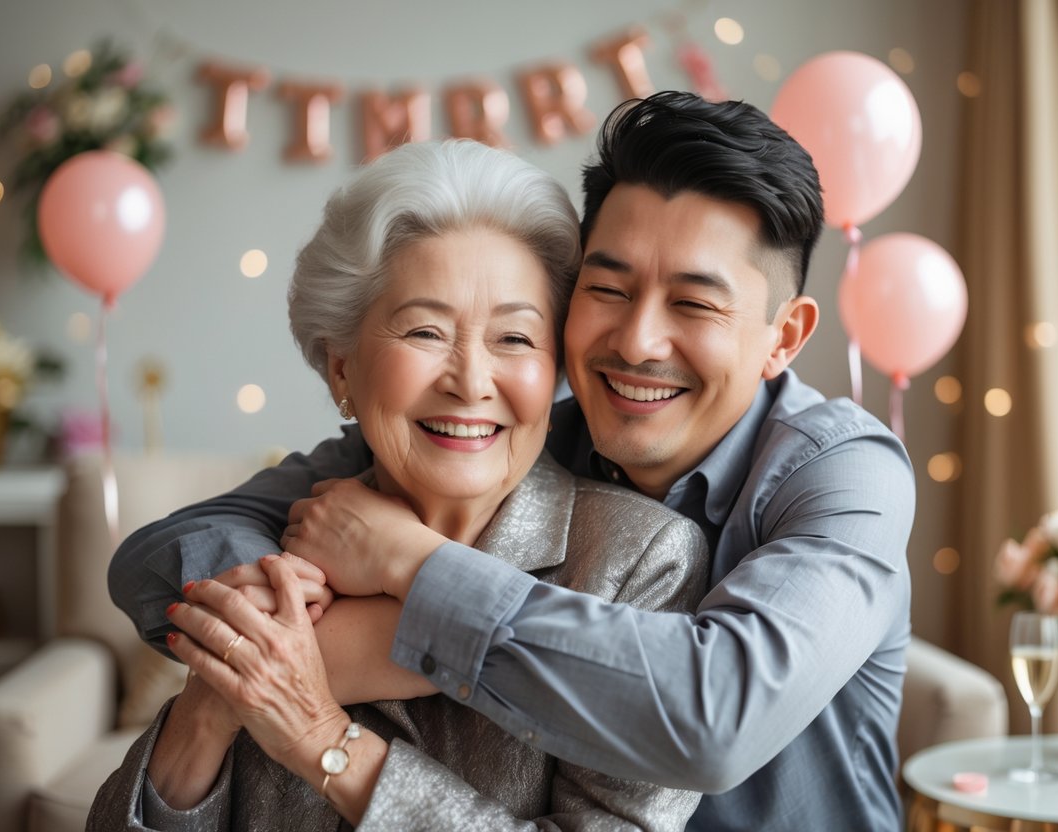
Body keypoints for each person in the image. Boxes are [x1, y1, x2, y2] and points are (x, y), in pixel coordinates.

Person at [109, 91, 915, 830]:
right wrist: (252, 643)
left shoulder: (843, 476)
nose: (636, 343)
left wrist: (403, 582)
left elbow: (711, 720)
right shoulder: (499, 430)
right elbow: (171, 548)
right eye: (608, 289)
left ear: (784, 336)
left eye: (695, 303)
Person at [89, 139, 709, 830]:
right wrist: (213, 702)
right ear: (342, 369)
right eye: (424, 331)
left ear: (555, 370)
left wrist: (318, 736)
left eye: (514, 339)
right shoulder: (274, 553)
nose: (471, 382)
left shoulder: (636, 564)